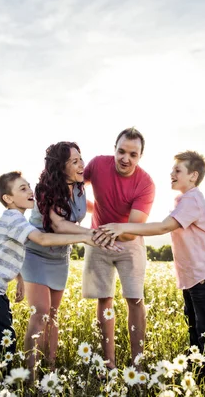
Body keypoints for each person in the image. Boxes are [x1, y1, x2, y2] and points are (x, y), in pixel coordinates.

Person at [97, 151, 205, 391]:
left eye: (178, 170)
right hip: (194, 279)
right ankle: (200, 383)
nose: (172, 174)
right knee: (196, 333)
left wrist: (121, 227)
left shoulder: (193, 200)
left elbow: (163, 227)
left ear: (193, 175)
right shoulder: (184, 200)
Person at [0, 170, 100, 387]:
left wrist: (19, 280)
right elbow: (42, 239)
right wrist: (84, 236)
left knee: (3, 341)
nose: (30, 191)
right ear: (8, 198)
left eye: (29, 186)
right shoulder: (12, 218)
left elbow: (10, 252)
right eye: (22, 188)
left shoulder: (17, 220)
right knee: (5, 343)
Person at [21, 142, 112, 374]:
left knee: (52, 315)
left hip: (60, 257)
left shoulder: (80, 188)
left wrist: (109, 214)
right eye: (74, 161)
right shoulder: (45, 189)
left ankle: (49, 371)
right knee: (40, 313)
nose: (82, 164)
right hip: (35, 253)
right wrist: (89, 235)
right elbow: (58, 225)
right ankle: (29, 375)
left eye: (81, 159)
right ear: (60, 167)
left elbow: (90, 207)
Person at [82, 127, 155, 369]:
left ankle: (138, 363)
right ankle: (108, 362)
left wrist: (114, 227)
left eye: (133, 154)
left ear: (140, 157)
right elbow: (73, 185)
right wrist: (89, 211)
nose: (126, 158)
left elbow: (134, 228)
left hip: (130, 243)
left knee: (135, 299)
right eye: (121, 151)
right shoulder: (97, 165)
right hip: (98, 241)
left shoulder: (145, 183)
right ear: (114, 149)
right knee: (104, 299)